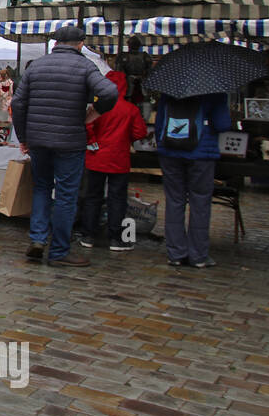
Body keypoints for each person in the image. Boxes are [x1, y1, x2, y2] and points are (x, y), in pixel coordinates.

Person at [11, 24, 118, 267]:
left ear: (55, 43)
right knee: (66, 195)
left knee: (41, 188)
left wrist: (23, 136)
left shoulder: (36, 66)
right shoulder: (84, 66)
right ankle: (59, 251)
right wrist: (94, 113)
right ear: (81, 44)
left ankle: (38, 239)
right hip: (69, 140)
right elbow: (110, 92)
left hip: (38, 138)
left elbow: (18, 103)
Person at [155, 90, 232, 268]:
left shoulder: (170, 89)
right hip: (201, 152)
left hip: (170, 151)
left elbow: (160, 123)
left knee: (174, 200)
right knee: (200, 202)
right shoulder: (216, 91)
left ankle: (175, 252)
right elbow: (222, 124)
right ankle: (198, 255)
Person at [76, 71, 146, 251]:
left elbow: (87, 126)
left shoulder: (98, 107)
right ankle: (115, 237)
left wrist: (93, 142)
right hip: (118, 158)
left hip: (96, 156)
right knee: (117, 198)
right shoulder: (130, 109)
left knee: (92, 196)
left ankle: (88, 235)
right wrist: (125, 138)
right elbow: (140, 132)